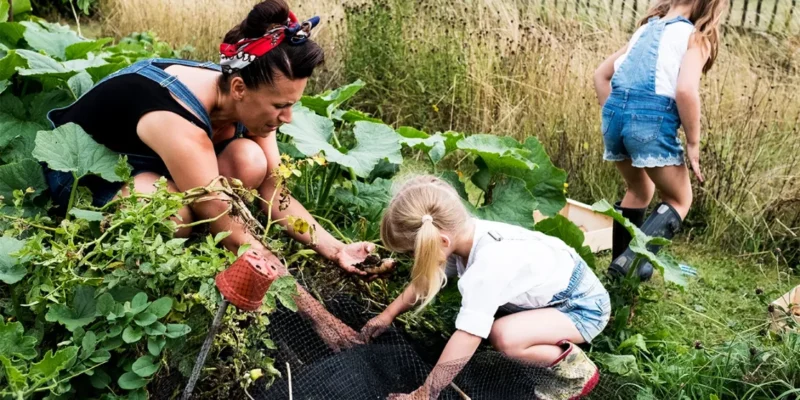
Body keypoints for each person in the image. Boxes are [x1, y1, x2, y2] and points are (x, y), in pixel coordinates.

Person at [45, 0, 371, 350]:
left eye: (293, 105)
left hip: (156, 160)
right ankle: (128, 271)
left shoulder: (252, 86)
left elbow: (273, 186)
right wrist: (319, 318)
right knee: (174, 214)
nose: (288, 117)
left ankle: (195, 206)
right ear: (239, 90)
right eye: (280, 106)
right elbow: (235, 233)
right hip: (83, 171)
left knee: (250, 160)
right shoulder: (179, 118)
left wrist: (336, 249)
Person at [360, 176, 609, 400]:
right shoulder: (465, 236)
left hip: (582, 307)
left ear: (440, 241)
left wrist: (425, 393)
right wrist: (387, 315)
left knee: (504, 337)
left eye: (414, 253)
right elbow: (425, 282)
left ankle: (576, 372)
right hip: (560, 289)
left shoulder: (488, 264)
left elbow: (469, 334)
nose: (414, 260)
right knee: (493, 325)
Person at [593, 0, 726, 280]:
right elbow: (686, 90)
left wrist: (618, 116)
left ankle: (618, 269)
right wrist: (692, 142)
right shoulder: (697, 36)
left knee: (639, 189)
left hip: (615, 117)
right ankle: (630, 263)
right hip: (651, 121)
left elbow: (601, 76)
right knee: (679, 199)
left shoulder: (645, 30)